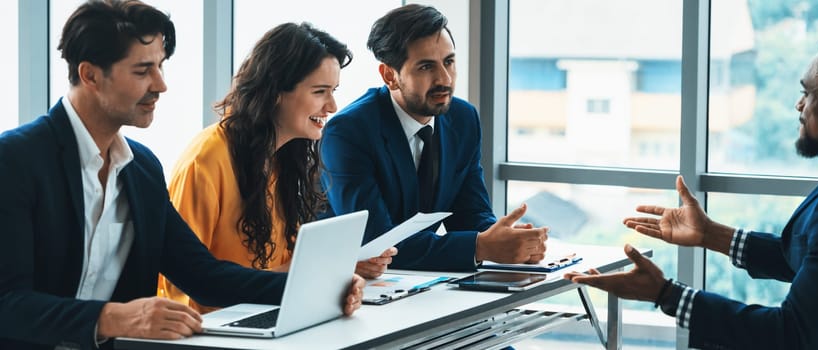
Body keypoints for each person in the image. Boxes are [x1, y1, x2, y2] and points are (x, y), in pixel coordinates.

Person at [0, 2, 363, 349]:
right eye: (143, 71)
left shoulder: (141, 169)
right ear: (90, 75)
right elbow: (7, 302)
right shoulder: (16, 159)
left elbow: (203, 276)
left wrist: (320, 288)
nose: (161, 85)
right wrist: (111, 318)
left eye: (161, 67)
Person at [566, 29, 818, 349]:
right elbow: (808, 261)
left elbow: (791, 334)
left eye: (807, 92)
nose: (798, 105)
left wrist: (666, 293)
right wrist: (710, 234)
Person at [157, 22, 395, 313]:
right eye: (320, 91)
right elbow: (179, 286)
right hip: (213, 330)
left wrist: (340, 269)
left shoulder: (285, 158)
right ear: (275, 92)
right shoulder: (206, 159)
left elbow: (278, 270)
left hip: (267, 312)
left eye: (333, 91)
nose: (332, 106)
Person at [320, 4, 548, 271]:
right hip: (354, 284)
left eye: (449, 62)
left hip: (420, 282)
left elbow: (470, 214)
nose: (444, 78)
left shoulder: (463, 119)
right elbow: (376, 242)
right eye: (426, 67)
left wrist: (507, 239)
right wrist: (481, 246)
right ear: (390, 76)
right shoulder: (348, 132)